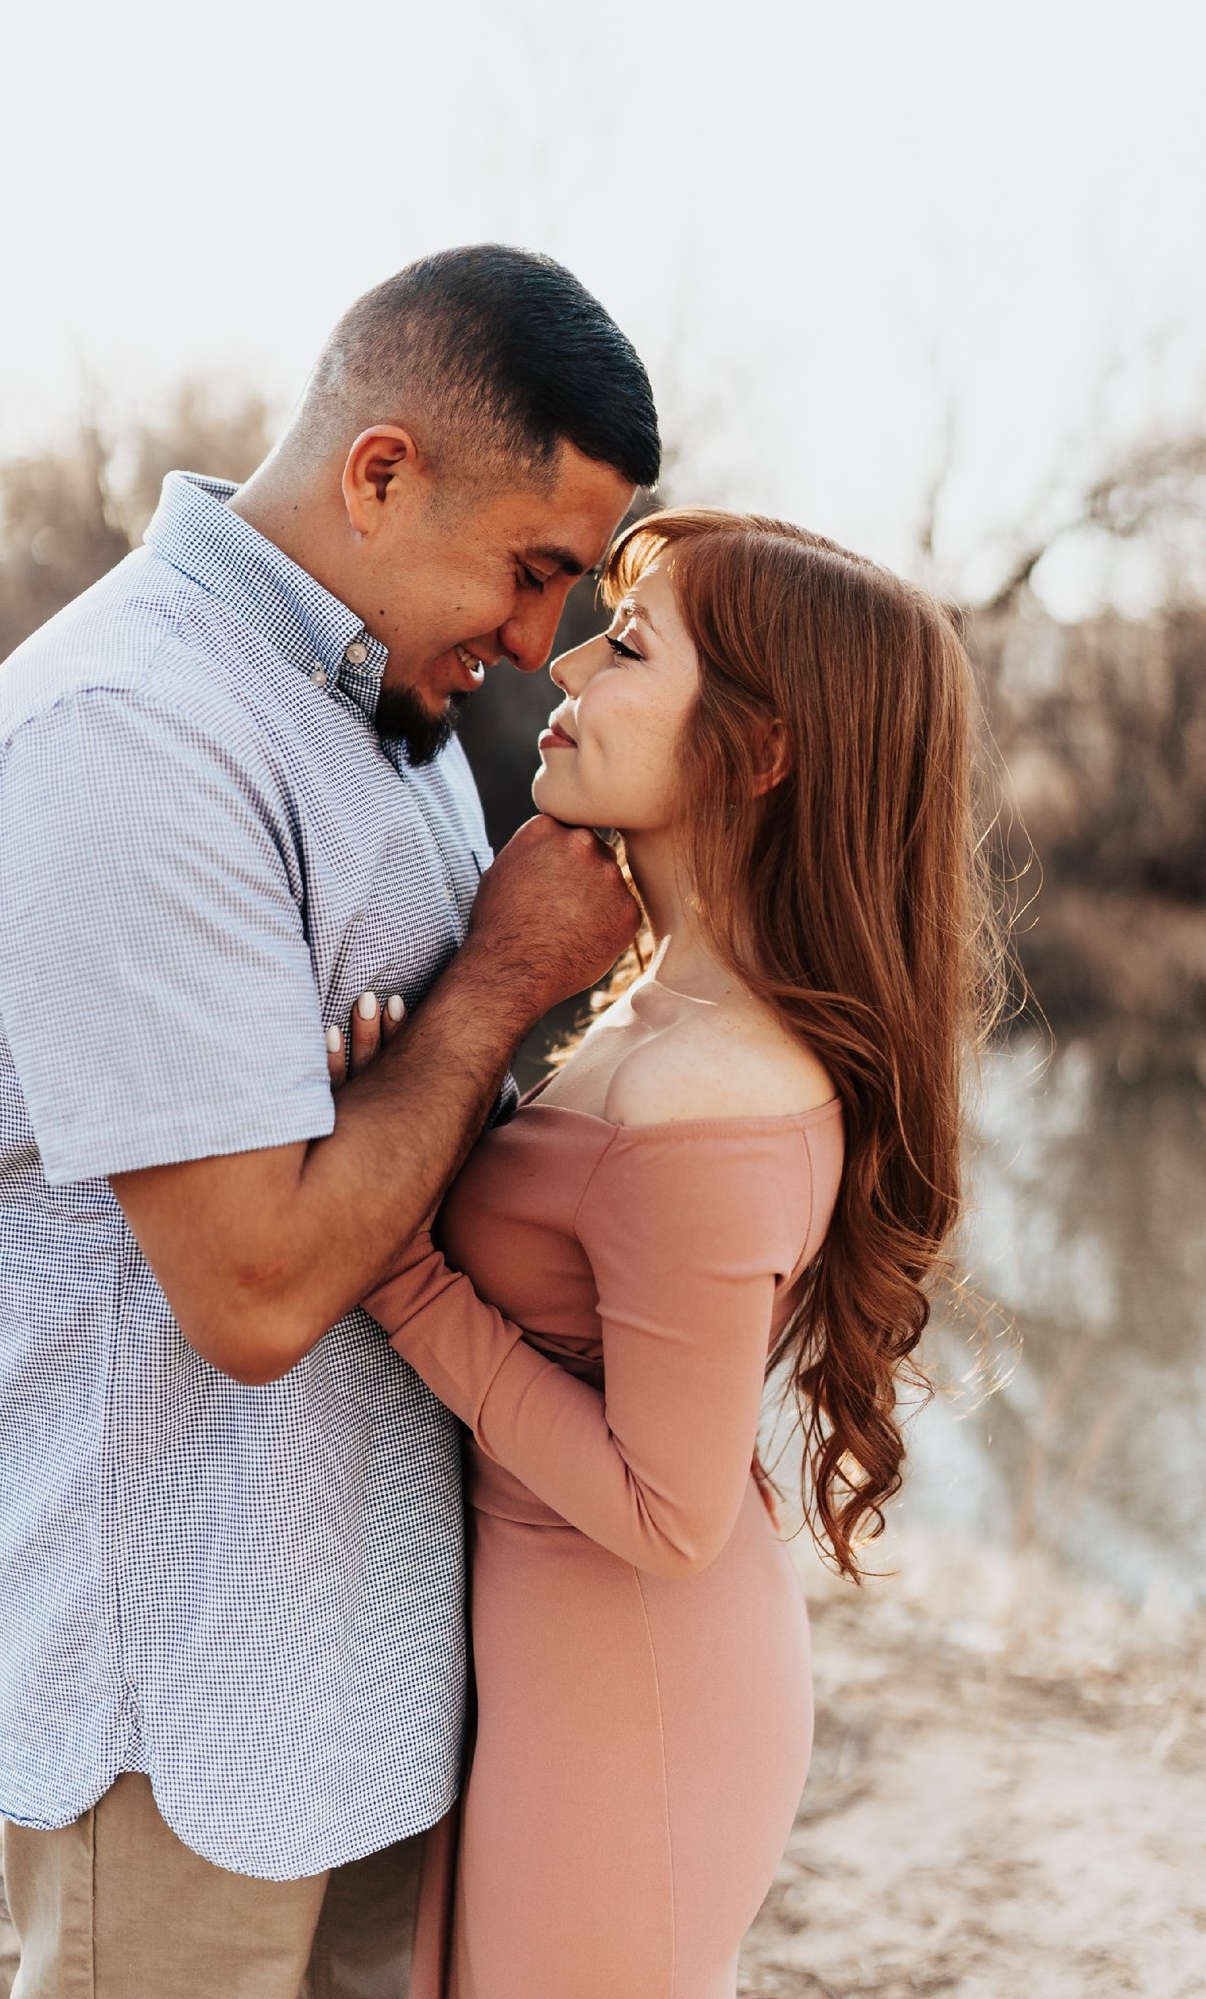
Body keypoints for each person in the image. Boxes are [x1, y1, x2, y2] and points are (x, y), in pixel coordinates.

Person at [0, 246, 658, 1998]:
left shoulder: (379, 716)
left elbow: (419, 1167)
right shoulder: (129, 731)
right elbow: (254, 1294)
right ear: (381, 474)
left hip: (379, 1681)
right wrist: (487, 992)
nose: (536, 647)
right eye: (532, 569)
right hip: (188, 1714)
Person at [344, 507, 1004, 1998]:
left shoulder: (712, 1091)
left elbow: (668, 1510)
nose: (567, 655)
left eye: (629, 644)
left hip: (627, 1694)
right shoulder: (657, 1008)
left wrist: (390, 1268)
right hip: (566, 1668)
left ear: (758, 752)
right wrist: (437, 1117)